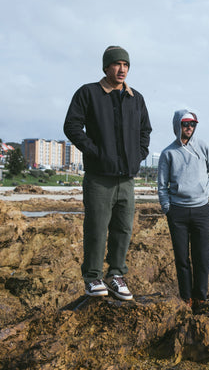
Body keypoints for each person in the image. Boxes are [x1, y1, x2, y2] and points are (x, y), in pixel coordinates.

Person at [64, 46, 152, 300]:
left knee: (123, 228)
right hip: (99, 178)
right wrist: (94, 151)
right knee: (97, 228)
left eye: (126, 64)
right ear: (106, 67)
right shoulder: (88, 93)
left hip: (126, 178)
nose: (122, 69)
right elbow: (72, 125)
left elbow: (145, 131)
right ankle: (93, 278)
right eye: (117, 64)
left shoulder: (136, 98)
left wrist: (139, 154)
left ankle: (116, 275)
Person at [158, 109, 209, 309]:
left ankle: (200, 297)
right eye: (185, 124)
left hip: (201, 210)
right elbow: (162, 186)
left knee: (202, 257)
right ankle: (187, 297)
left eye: (193, 124)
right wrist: (167, 207)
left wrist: (204, 191)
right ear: (177, 125)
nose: (189, 127)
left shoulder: (204, 147)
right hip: (177, 212)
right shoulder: (168, 153)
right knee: (181, 258)